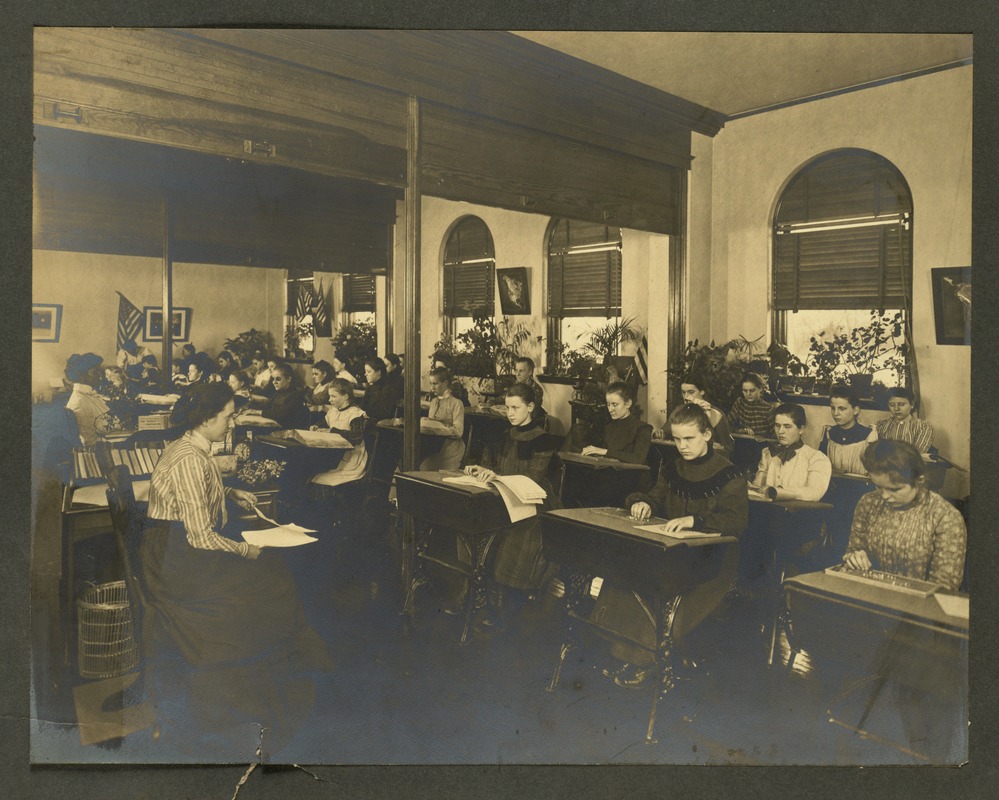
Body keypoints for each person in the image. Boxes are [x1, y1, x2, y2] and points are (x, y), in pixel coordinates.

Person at [141, 383, 333, 755]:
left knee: (273, 575)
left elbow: (193, 499)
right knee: (270, 581)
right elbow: (199, 537)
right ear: (207, 418)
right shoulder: (189, 459)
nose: (231, 423)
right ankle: (253, 678)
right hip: (175, 561)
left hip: (176, 549)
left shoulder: (193, 447)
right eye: (227, 416)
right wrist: (246, 550)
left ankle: (261, 671)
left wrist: (229, 492)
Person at [593, 403, 748, 687]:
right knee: (625, 573)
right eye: (676, 439)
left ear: (708, 435)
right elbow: (656, 496)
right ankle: (625, 652)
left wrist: (695, 520)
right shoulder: (673, 467)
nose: (682, 446)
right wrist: (643, 503)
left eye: (689, 439)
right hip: (671, 550)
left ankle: (646, 658)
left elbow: (736, 522)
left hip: (712, 558)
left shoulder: (730, 474)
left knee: (655, 584)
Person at [841, 439, 967, 763]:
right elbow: (853, 548)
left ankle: (927, 759)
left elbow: (945, 587)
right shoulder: (868, 504)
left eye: (894, 489)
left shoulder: (945, 517)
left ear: (919, 481)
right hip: (872, 614)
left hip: (924, 626)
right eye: (878, 486)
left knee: (920, 692)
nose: (884, 496)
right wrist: (854, 556)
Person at [463, 382, 560, 627]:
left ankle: (508, 614)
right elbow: (502, 469)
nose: (510, 413)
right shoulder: (508, 434)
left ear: (531, 407)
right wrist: (485, 470)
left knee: (514, 545)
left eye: (516, 407)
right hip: (507, 498)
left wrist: (498, 478)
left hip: (533, 504)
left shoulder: (543, 440)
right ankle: (484, 602)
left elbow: (533, 478)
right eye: (507, 408)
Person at [751, 403, 832, 502]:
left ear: (801, 429)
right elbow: (758, 487)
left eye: (787, 426)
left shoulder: (816, 458)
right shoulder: (768, 453)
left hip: (799, 515)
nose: (780, 431)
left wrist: (777, 491)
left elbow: (814, 493)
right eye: (777, 425)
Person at [309, 378, 369, 488]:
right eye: (329, 396)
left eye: (333, 396)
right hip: (335, 454)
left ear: (345, 396)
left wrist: (333, 431)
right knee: (311, 471)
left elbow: (356, 437)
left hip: (351, 458)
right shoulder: (334, 410)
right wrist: (317, 426)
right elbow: (325, 422)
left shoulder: (355, 413)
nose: (330, 399)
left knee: (317, 475)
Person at [658, 374, 734, 459]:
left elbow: (727, 448)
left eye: (691, 392)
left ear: (702, 391)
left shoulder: (715, 413)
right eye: (683, 392)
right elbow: (665, 432)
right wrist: (660, 434)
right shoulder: (679, 411)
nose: (686, 397)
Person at [819, 386, 878, 474]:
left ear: (855, 410)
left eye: (842, 409)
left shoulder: (869, 436)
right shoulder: (829, 434)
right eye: (833, 408)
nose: (836, 413)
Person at [419, 366, 465, 471]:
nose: (432, 388)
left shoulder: (457, 403)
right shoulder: (434, 402)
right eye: (431, 383)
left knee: (425, 469)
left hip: (450, 446)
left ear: (445, 383)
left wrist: (439, 427)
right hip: (433, 444)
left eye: (435, 384)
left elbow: (458, 432)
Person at [64, 352, 111, 445]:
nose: (100, 376)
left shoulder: (90, 395)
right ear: (81, 375)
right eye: (95, 372)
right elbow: (89, 442)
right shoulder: (79, 402)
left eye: (99, 371)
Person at [875, 386, 934, 454]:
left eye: (901, 404)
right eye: (892, 405)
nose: (896, 408)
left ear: (912, 405)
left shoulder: (922, 427)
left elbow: (916, 454)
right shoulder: (881, 425)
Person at [259, 362, 310, 429]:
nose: (274, 382)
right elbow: (267, 406)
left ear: (289, 379)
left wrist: (259, 412)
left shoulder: (296, 396)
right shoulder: (279, 393)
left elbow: (279, 416)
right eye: (273, 379)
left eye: (278, 379)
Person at [728, 372, 776, 437]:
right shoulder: (739, 403)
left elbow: (775, 434)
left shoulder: (768, 408)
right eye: (745, 391)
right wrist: (740, 431)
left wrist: (760, 436)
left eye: (752, 390)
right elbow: (727, 425)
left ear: (760, 389)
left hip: (762, 445)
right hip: (742, 442)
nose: (748, 394)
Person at [360, 357, 399, 428]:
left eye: (369, 371)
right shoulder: (370, 388)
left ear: (378, 372)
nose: (365, 374)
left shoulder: (388, 389)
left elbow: (384, 413)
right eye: (365, 372)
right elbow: (363, 407)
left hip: (380, 427)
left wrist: (365, 414)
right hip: (368, 422)